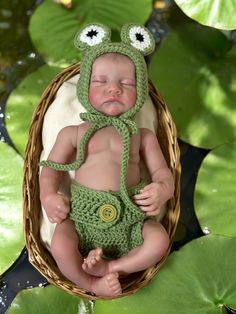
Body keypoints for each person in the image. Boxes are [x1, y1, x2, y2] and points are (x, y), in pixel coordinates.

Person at [39, 23, 174, 297]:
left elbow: (163, 172)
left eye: (125, 83)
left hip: (132, 220)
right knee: (61, 243)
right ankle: (90, 283)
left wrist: (162, 190)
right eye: (101, 82)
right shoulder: (74, 133)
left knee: (159, 239)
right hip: (81, 220)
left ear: (139, 92)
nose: (113, 89)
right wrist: (48, 197)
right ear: (84, 88)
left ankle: (113, 267)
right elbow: (50, 169)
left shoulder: (143, 136)